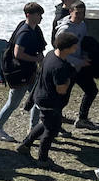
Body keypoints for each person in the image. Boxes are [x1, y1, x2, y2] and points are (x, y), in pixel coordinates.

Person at [15, 31, 80, 164]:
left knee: (46, 123)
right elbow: (61, 90)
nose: (76, 48)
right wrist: (68, 80)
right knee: (51, 130)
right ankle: (43, 159)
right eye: (74, 46)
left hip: (41, 96)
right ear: (67, 48)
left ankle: (25, 145)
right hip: (50, 102)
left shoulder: (51, 55)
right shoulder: (59, 67)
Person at [0, 4, 47, 141]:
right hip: (20, 73)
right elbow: (17, 53)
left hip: (31, 72)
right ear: (29, 15)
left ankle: (33, 129)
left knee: (37, 99)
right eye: (38, 14)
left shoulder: (33, 29)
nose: (41, 17)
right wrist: (36, 59)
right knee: (13, 103)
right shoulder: (25, 32)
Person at [55, 2, 99, 128]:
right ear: (70, 12)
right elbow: (59, 53)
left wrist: (85, 55)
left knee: (91, 90)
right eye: (77, 13)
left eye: (83, 13)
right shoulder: (65, 29)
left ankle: (82, 118)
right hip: (68, 67)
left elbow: (84, 42)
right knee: (63, 97)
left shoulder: (82, 25)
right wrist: (79, 62)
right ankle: (54, 122)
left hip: (80, 66)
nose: (80, 16)